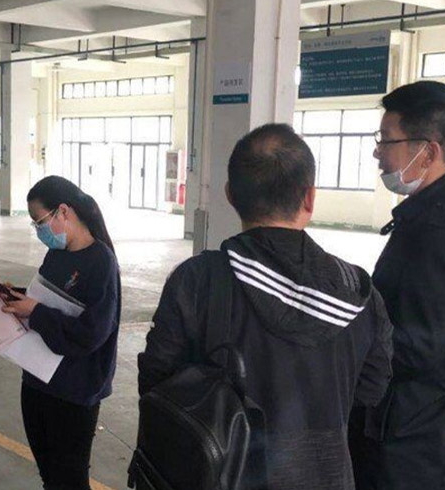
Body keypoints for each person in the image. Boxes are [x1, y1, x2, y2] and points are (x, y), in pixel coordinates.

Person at [138, 123, 394, 490]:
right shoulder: (358, 290)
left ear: (230, 194)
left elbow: (156, 381)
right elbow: (372, 388)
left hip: (222, 476)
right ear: (309, 198)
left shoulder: (197, 280)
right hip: (327, 477)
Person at [349, 80, 445, 490]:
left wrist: (344, 339)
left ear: (427, 152)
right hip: (406, 425)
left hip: (415, 442)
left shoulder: (442, 229)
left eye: (387, 139)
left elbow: (419, 345)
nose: (377, 150)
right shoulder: (431, 214)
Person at [0, 176, 121, 490]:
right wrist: (20, 299)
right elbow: (46, 301)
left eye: (39, 222)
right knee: (51, 478)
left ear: (63, 211)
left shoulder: (101, 263)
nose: (39, 231)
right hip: (38, 381)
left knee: (69, 481)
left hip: (74, 391)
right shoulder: (56, 255)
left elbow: (91, 334)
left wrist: (36, 311)